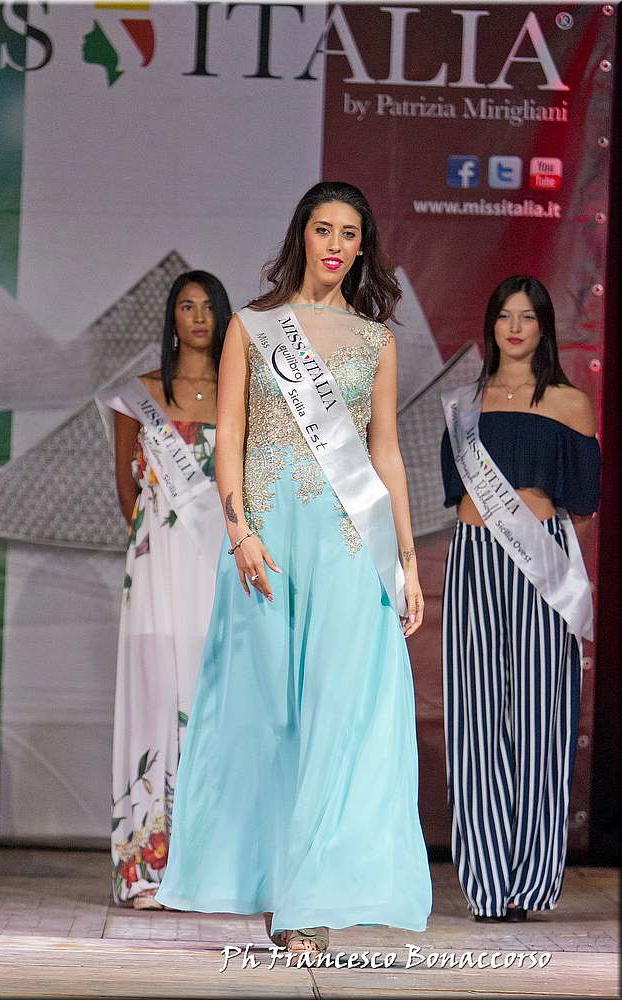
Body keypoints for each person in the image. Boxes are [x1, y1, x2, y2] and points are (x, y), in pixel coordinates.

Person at [156, 182, 432, 954]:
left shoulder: (376, 343)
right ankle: (272, 883)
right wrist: (240, 532)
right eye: (323, 229)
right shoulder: (253, 327)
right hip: (270, 545)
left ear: (362, 246)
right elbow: (230, 437)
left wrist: (406, 563)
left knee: (339, 718)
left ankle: (307, 902)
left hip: (347, 546)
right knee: (266, 717)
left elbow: (385, 455)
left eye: (349, 233)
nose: (335, 245)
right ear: (300, 236)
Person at [440, 275, 601, 923]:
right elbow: (454, 493)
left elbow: (582, 505)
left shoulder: (569, 403)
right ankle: (485, 880)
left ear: (543, 327)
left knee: (539, 718)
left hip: (540, 562)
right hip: (473, 559)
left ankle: (529, 880)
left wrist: (540, 544)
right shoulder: (464, 403)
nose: (514, 327)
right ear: (490, 324)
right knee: (475, 716)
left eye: (526, 317)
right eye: (504, 316)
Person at [96, 270, 231, 908]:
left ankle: (212, 869)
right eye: (186, 306)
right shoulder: (140, 395)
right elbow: (126, 489)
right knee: (153, 696)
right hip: (156, 566)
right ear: (172, 318)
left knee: (212, 698)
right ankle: (146, 869)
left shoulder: (243, 394)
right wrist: (156, 536)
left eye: (208, 307)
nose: (198, 317)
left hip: (218, 566)